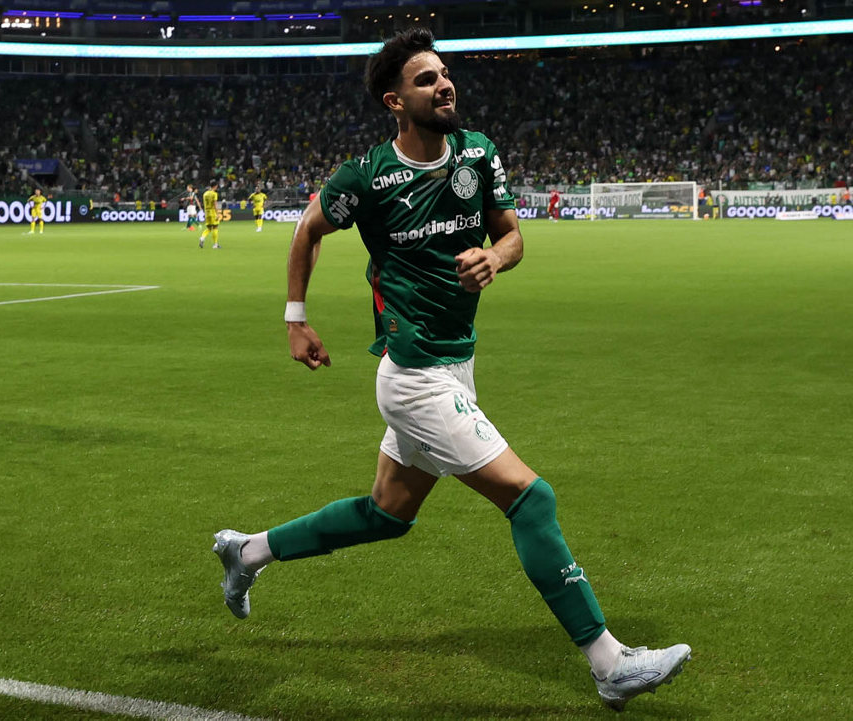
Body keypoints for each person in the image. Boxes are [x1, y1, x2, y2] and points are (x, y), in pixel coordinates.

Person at [211, 29, 690, 712]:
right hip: (414, 379)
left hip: (458, 365)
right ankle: (609, 661)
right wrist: (295, 317)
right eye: (426, 79)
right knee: (531, 497)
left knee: (388, 513)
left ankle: (248, 551)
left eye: (445, 74)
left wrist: (496, 258)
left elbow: (513, 233)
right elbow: (308, 230)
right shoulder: (367, 177)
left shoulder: (478, 152)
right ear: (395, 101)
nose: (444, 85)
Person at [198, 179, 220, 249]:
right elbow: (215, 204)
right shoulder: (214, 193)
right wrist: (217, 213)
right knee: (215, 227)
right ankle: (215, 244)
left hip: (207, 212)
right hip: (212, 212)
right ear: (215, 186)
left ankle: (202, 237)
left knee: (209, 228)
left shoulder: (205, 194)